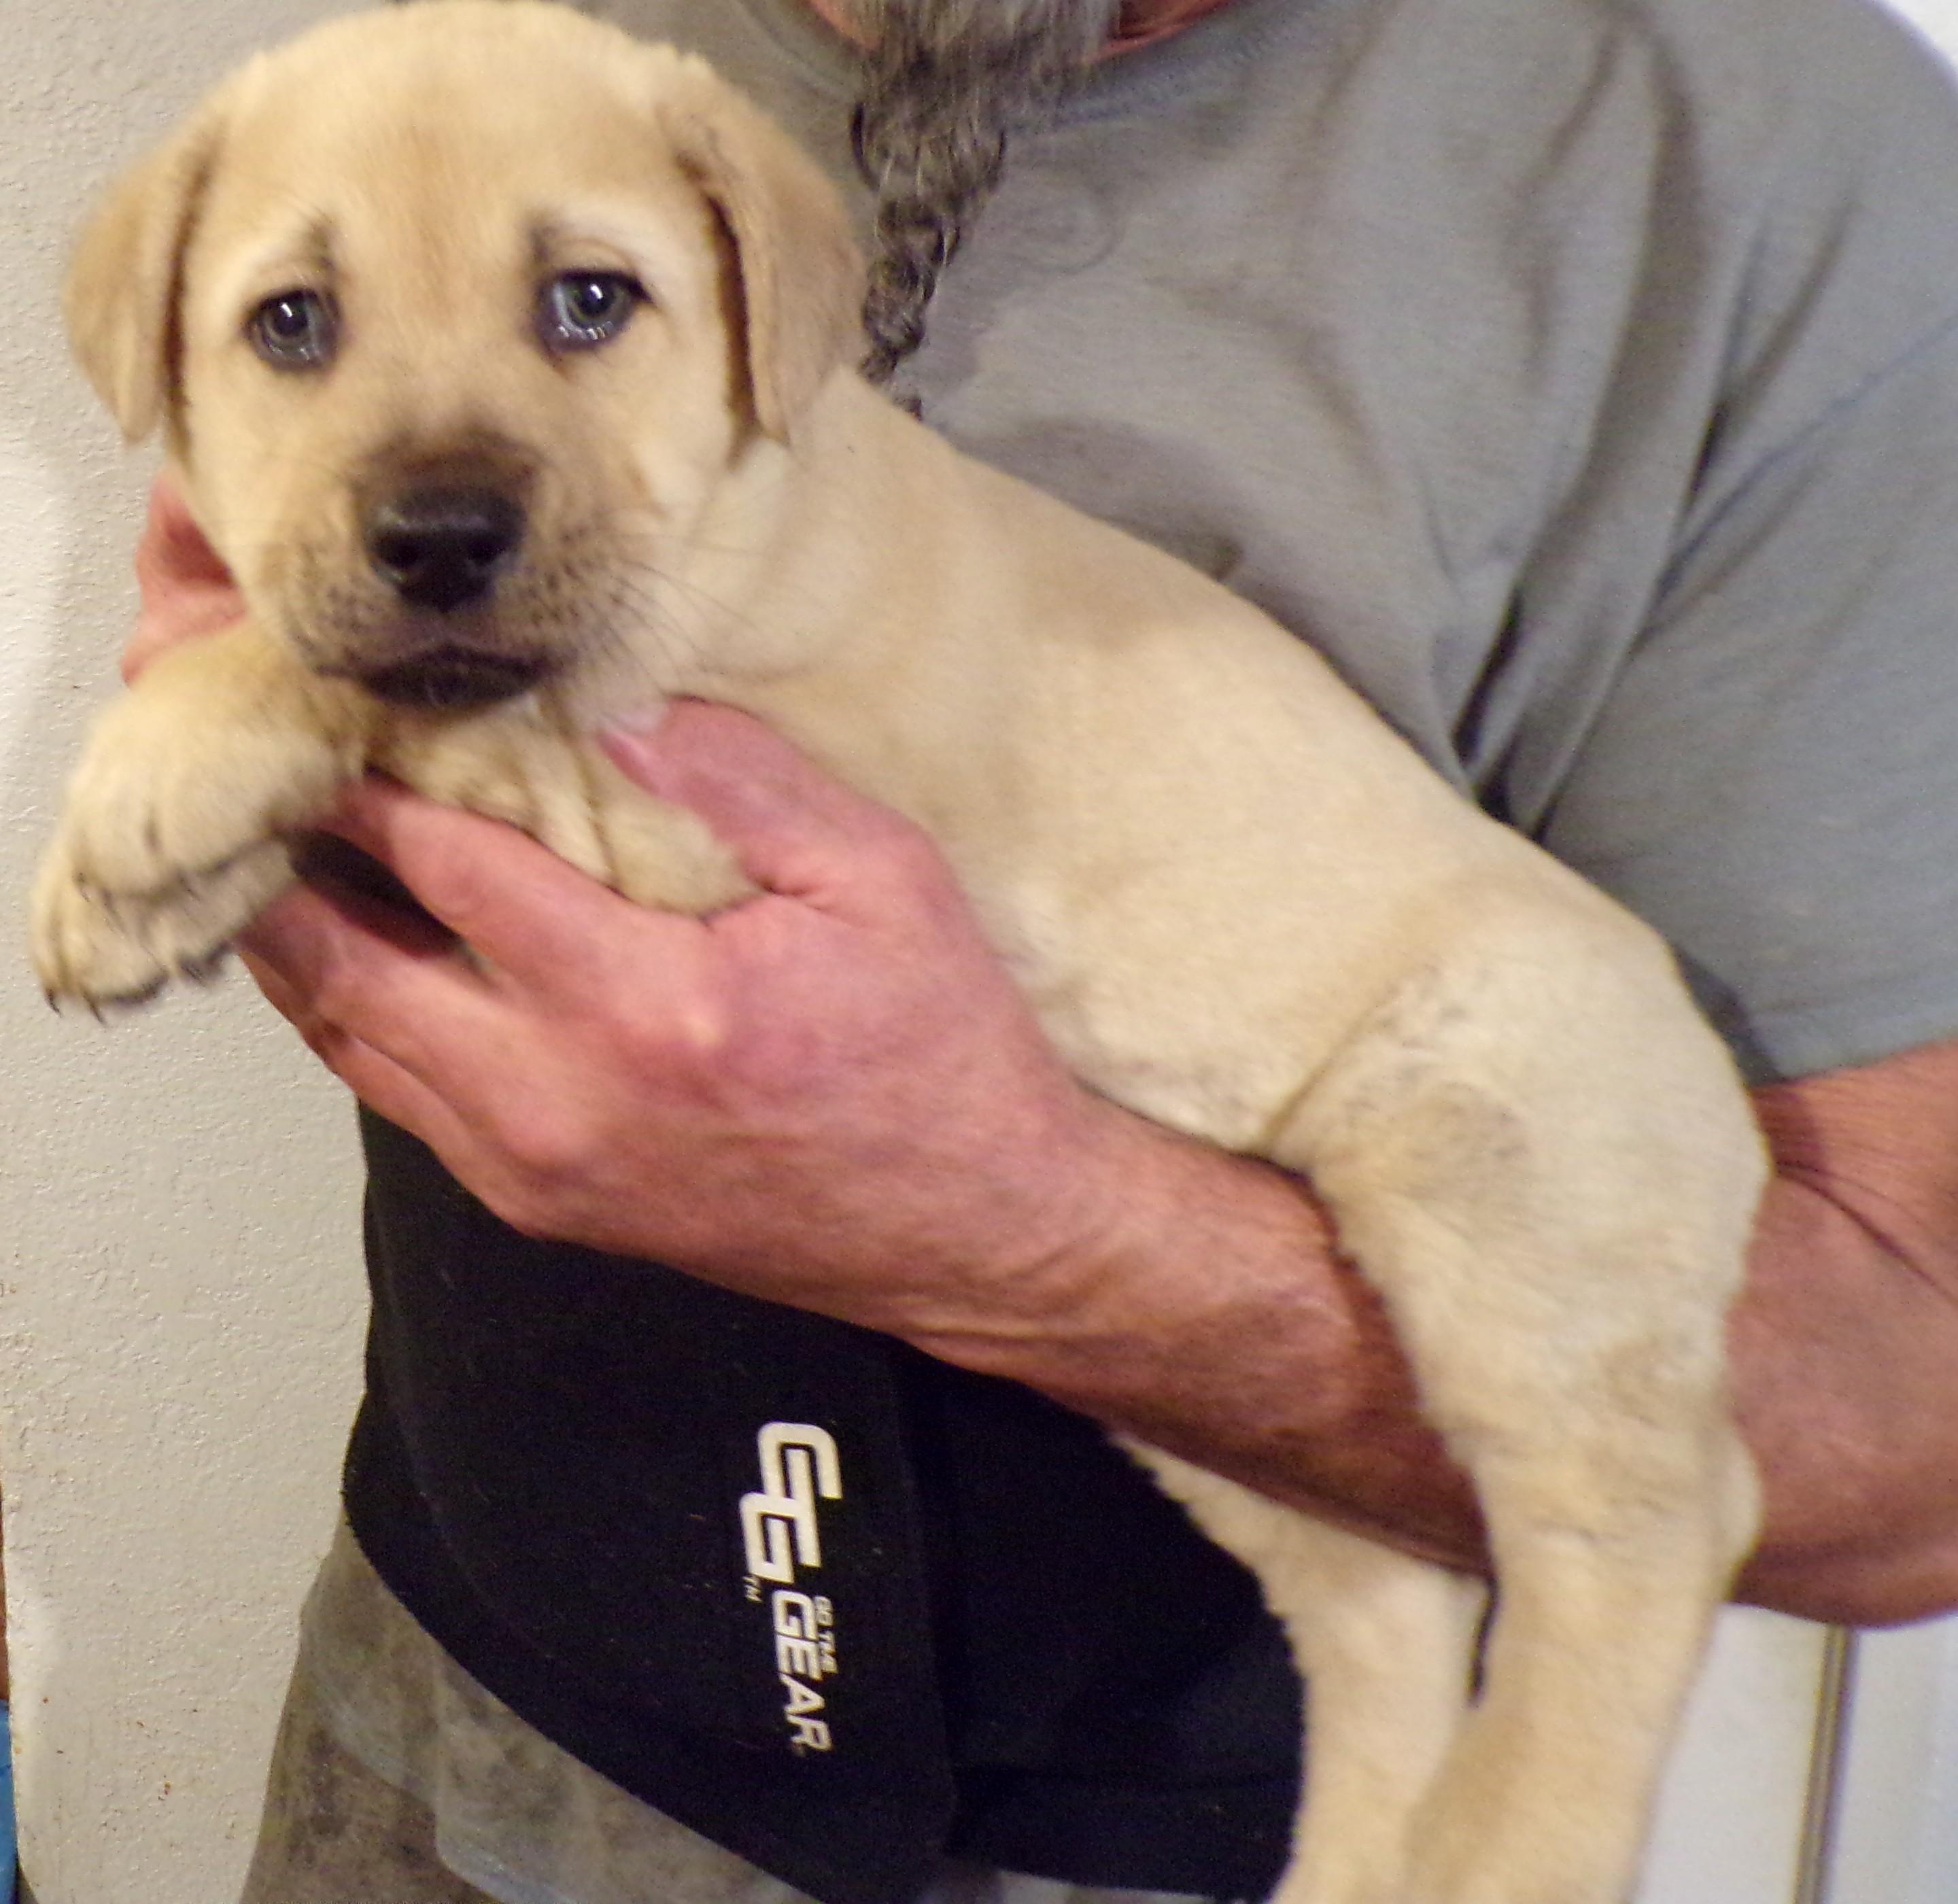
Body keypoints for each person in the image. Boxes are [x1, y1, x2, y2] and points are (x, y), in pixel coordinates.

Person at [124, 0, 1958, 1899]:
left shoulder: (1761, 155)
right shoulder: (459, 71)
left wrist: (1034, 1224)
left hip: (1203, 1826)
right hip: (455, 1713)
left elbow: (1918, 1404)